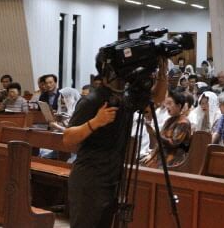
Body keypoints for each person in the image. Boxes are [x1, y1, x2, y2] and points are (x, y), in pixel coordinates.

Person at [63, 54, 168, 228]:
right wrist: (96, 122)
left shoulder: (125, 97)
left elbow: (156, 98)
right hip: (90, 179)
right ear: (108, 71)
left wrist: (162, 72)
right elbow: (67, 138)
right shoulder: (93, 100)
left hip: (113, 178)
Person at [143, 90, 191, 169]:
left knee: (149, 168)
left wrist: (154, 133)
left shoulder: (183, 123)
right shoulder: (168, 120)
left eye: (170, 103)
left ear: (179, 106)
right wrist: (151, 154)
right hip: (162, 154)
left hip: (174, 157)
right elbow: (159, 142)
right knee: (142, 163)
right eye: (166, 103)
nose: (167, 106)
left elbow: (173, 143)